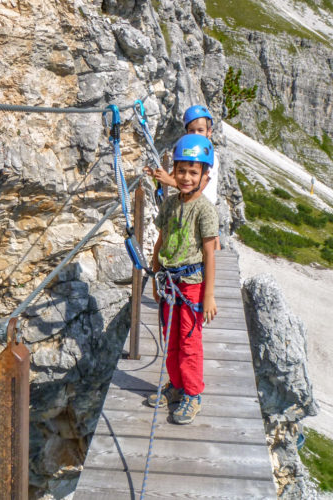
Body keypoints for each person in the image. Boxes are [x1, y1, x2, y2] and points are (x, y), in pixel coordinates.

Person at [146, 134, 219, 425]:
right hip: (168, 281)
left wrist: (209, 295)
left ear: (205, 175)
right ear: (173, 170)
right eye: (182, 171)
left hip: (191, 284)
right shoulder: (170, 203)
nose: (186, 177)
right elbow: (161, 240)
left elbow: (210, 254)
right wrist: (154, 276)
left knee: (190, 341)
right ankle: (176, 385)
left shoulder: (205, 210)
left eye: (193, 172)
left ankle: (192, 393)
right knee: (171, 337)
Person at [145, 104, 221, 249]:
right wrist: (158, 175)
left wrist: (169, 181)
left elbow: (200, 184)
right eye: (192, 130)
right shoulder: (190, 153)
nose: (196, 134)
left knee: (210, 238)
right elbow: (174, 175)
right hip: (191, 202)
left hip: (206, 203)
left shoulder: (209, 156)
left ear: (209, 132)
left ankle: (215, 264)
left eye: (200, 130)